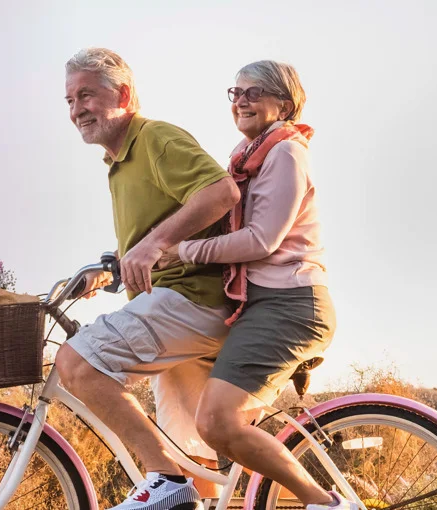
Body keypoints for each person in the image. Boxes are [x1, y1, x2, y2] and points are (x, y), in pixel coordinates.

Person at [157, 60, 347, 510]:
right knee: (195, 407)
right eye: (235, 92)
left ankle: (323, 503)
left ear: (283, 103)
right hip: (263, 306)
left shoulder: (286, 152)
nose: (241, 100)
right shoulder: (247, 160)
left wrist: (181, 250)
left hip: (289, 305)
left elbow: (262, 240)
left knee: (217, 423)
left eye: (254, 92)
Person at [55, 47, 239, 510]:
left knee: (76, 362)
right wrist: (112, 265)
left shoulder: (154, 138)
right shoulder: (118, 165)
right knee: (192, 459)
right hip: (173, 307)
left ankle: (160, 475)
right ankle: (178, 482)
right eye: (70, 100)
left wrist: (154, 244)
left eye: (87, 96)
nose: (77, 109)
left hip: (190, 299)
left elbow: (222, 192)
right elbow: (155, 229)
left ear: (124, 93)